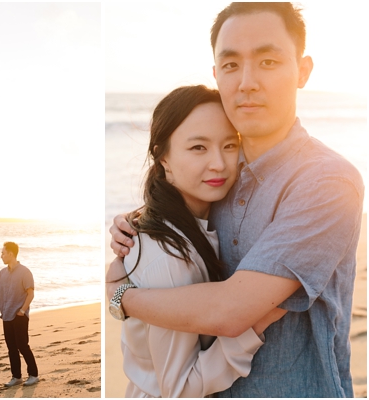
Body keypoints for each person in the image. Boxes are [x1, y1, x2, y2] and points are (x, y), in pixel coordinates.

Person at [107, 3, 363, 397]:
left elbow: (228, 313)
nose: (246, 82)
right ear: (216, 75)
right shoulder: (220, 174)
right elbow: (175, 207)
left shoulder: (326, 181)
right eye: (230, 65)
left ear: (303, 71)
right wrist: (139, 223)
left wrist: (120, 296)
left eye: (268, 61)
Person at [112, 85, 290, 397]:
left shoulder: (204, 219)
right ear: (162, 156)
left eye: (229, 146)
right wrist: (254, 323)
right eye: (198, 148)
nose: (219, 164)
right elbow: (180, 389)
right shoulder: (169, 256)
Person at [0, 242, 39, 387]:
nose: (1, 255)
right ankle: (16, 376)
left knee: (22, 345)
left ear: (11, 254)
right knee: (11, 347)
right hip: (6, 314)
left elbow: (30, 294)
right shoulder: (2, 273)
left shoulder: (25, 272)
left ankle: (33, 375)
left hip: (19, 316)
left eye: (3, 253)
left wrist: (22, 310)